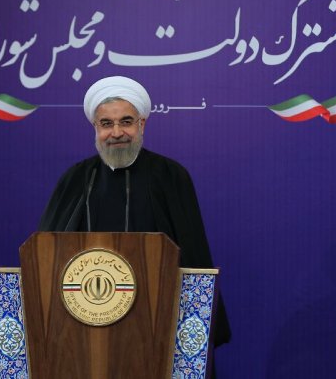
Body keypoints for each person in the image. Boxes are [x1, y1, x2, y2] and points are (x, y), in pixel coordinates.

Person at [39, 75, 231, 347]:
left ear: (142, 123)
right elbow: (46, 258)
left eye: (126, 121)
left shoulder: (170, 176)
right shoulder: (75, 179)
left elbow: (194, 258)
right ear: (95, 127)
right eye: (106, 123)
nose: (117, 132)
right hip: (83, 331)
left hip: (157, 328)